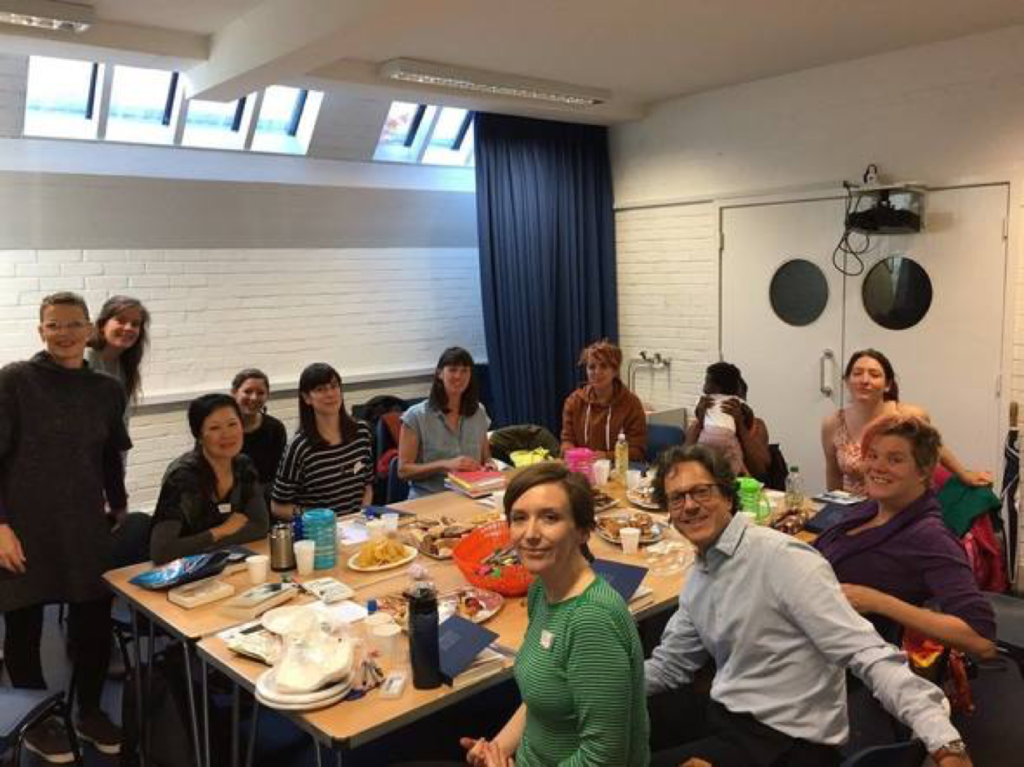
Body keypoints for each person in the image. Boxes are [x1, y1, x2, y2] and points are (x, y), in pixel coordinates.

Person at [646, 444, 971, 767]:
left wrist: (944, 741)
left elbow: (867, 652)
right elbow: (671, 665)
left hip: (788, 745)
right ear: (669, 514)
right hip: (735, 720)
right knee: (628, 735)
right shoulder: (702, 573)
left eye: (701, 492)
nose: (689, 506)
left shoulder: (781, 559)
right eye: (677, 498)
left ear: (728, 496)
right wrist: (598, 682)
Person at [0, 292, 131, 762]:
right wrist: (0, 527)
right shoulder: (14, 381)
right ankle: (37, 720)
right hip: (23, 526)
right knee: (23, 625)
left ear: (89, 330)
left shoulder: (105, 390)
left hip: (83, 524)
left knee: (94, 624)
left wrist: (118, 503)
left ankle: (90, 711)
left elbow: (110, 454)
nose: (64, 333)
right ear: (41, 331)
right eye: (54, 325)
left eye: (73, 324)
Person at [460, 463, 649, 766]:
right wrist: (496, 749)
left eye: (550, 518)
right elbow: (542, 701)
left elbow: (604, 759)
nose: (531, 534)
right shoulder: (541, 590)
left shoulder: (591, 619)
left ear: (584, 531)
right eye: (520, 518)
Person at [821, 349, 990, 495]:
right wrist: (833, 513)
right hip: (854, 511)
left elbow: (937, 448)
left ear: (887, 385)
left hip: (900, 509)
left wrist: (965, 475)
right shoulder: (832, 424)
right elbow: (833, 474)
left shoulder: (908, 415)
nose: (865, 380)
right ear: (847, 382)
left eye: (874, 375)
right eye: (857, 373)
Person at [149, 394, 270, 565]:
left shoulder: (243, 466)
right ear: (199, 435)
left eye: (232, 424)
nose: (227, 434)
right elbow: (161, 551)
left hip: (225, 564)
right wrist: (220, 531)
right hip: (185, 572)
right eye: (214, 428)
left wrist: (202, 543)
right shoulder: (183, 477)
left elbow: (260, 526)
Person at [87, 295, 153, 565]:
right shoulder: (87, 362)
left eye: (135, 324)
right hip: (85, 475)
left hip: (110, 471)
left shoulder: (124, 367)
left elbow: (117, 434)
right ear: (102, 324)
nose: (128, 328)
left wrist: (115, 487)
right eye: (121, 320)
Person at [272, 363, 373, 519]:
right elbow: (278, 507)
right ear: (307, 398)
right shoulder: (299, 447)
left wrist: (360, 516)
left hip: (356, 526)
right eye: (320, 389)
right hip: (318, 532)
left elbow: (367, 485)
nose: (330, 394)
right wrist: (317, 517)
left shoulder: (362, 432)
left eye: (334, 386)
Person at [398, 347, 492, 498]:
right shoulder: (415, 416)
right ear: (440, 373)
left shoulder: (478, 411)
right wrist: (445, 465)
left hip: (472, 495)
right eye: (453, 370)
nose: (458, 376)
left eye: (464, 371)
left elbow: (486, 457)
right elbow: (403, 471)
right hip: (430, 497)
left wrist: (489, 464)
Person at [560, 339, 647, 462]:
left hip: (617, 472)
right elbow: (567, 440)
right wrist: (571, 452)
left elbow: (638, 451)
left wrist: (607, 456)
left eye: (604, 366)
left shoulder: (631, 404)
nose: (597, 372)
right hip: (581, 471)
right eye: (591, 367)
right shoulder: (574, 401)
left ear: (615, 371)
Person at [685, 361, 770, 479]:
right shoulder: (702, 423)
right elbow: (685, 459)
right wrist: (700, 421)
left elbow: (760, 470)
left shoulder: (757, 426)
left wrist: (740, 425)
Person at [231, 368, 287, 503]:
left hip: (266, 502)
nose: (254, 397)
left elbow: (280, 476)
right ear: (234, 393)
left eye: (260, 393)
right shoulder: (222, 430)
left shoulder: (275, 428)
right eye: (248, 391)